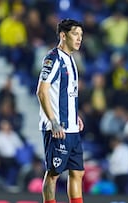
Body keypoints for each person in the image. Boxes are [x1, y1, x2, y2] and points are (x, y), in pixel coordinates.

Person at [36, 19, 85, 203]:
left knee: (78, 172)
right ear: (63, 35)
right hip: (58, 129)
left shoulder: (71, 60)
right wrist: (53, 121)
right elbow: (42, 90)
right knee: (54, 174)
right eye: (75, 34)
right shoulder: (53, 58)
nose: (79, 39)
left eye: (81, 35)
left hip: (72, 127)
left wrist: (75, 115)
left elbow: (66, 94)